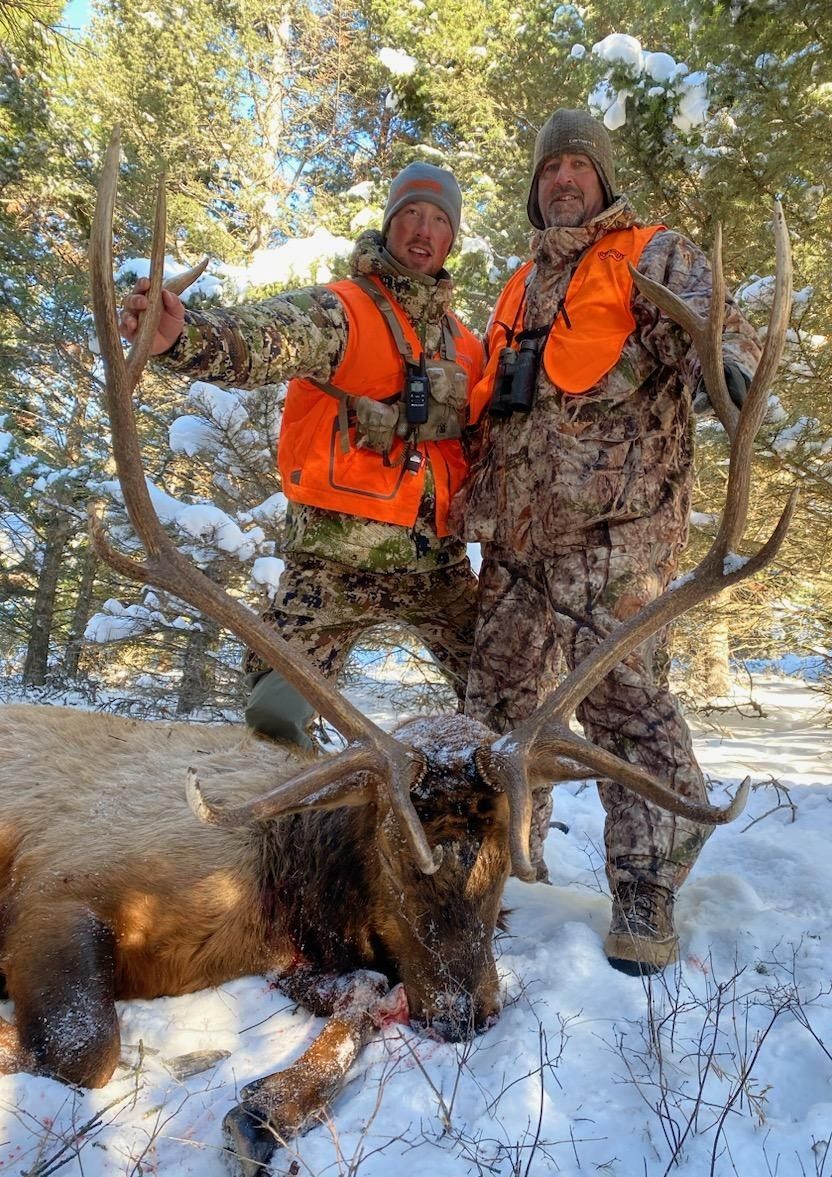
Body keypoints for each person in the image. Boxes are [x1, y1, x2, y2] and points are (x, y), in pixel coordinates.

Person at [455, 109, 761, 973]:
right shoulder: (517, 287)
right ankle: (498, 871)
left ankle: (645, 889)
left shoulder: (654, 254)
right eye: (550, 169)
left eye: (578, 167)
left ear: (603, 179)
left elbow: (712, 331)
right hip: (516, 542)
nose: (563, 180)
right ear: (534, 186)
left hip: (616, 540)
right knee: (497, 714)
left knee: (626, 709)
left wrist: (726, 369)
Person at [120, 163, 483, 748]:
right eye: (411, 213)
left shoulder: (467, 344)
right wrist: (183, 338)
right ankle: (295, 830)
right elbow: (262, 338)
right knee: (276, 716)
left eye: (440, 219)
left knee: (506, 696)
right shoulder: (340, 312)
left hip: (436, 564)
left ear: (451, 239)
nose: (423, 230)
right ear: (389, 224)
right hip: (333, 562)